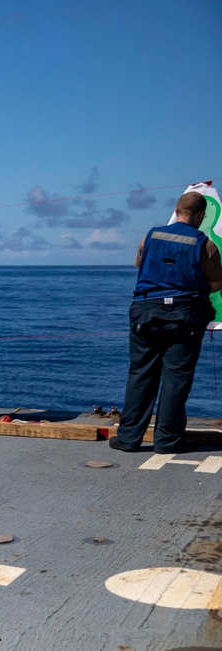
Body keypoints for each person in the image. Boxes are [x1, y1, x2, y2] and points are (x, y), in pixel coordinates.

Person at [112, 192, 222, 454]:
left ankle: (128, 439)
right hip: (185, 317)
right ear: (200, 216)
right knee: (176, 379)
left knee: (140, 375)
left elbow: (140, 264)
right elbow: (216, 284)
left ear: (175, 210)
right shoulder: (206, 245)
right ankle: (167, 441)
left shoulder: (149, 236)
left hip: (145, 313)